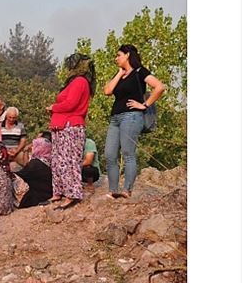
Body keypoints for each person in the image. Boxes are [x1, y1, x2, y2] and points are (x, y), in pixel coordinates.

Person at [103, 44, 165, 198]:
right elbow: (107, 91)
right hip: (115, 118)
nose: (116, 58)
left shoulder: (140, 71)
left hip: (131, 117)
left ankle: (127, 190)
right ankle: (112, 191)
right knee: (110, 154)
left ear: (127, 55)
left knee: (127, 153)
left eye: (118, 55)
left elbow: (159, 87)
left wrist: (144, 105)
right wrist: (119, 73)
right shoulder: (119, 75)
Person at [46, 53, 96, 210]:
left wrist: (53, 107)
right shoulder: (74, 82)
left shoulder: (80, 82)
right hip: (62, 126)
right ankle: (59, 192)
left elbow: (71, 104)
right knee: (58, 161)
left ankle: (71, 193)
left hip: (70, 126)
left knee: (68, 161)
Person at [15, 137, 53, 208]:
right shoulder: (48, 161)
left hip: (37, 198)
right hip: (48, 194)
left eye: (34, 146)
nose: (31, 148)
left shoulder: (36, 164)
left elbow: (21, 174)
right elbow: (27, 167)